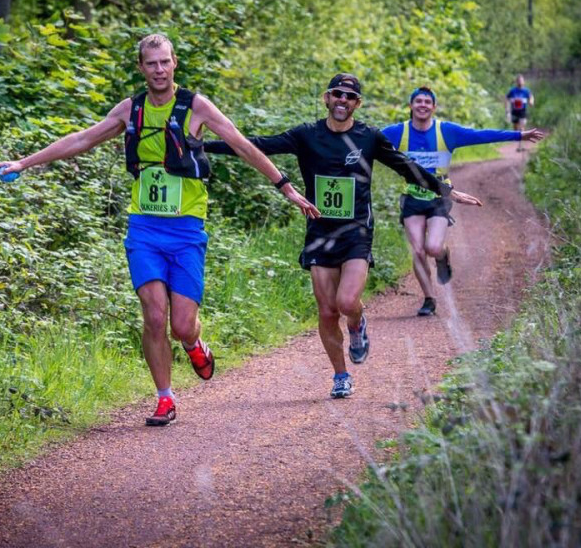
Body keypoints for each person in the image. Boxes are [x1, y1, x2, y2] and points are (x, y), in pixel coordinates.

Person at [0, 33, 319, 426]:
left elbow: (243, 145)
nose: (159, 70)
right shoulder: (132, 109)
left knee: (181, 325)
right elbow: (82, 139)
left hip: (187, 230)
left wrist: (286, 187)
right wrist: (23, 163)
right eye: (151, 63)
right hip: (144, 228)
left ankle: (194, 342)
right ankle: (164, 398)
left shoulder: (196, 106)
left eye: (164, 62)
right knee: (155, 316)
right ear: (141, 67)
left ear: (174, 63)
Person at [204, 74, 481, 399]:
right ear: (327, 98)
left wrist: (446, 190)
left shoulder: (369, 137)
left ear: (357, 103)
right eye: (337, 94)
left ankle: (357, 322)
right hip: (319, 231)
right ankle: (340, 375)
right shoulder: (306, 135)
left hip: (356, 232)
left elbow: (405, 166)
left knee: (347, 302)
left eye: (349, 96)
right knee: (327, 311)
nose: (342, 100)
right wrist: (201, 145)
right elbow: (255, 146)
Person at [382, 86, 544, 317]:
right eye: (418, 101)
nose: (422, 105)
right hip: (412, 197)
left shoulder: (446, 131)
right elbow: (367, 141)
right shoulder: (398, 132)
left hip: (439, 197)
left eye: (427, 102)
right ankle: (429, 299)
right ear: (411, 105)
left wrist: (519, 135)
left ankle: (442, 256)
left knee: (432, 247)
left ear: (434, 107)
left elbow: (481, 135)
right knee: (417, 251)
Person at [505, 74, 535, 151]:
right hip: (514, 111)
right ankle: (518, 140)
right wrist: (507, 109)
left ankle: (520, 146)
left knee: (522, 127)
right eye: (518, 81)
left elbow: (531, 96)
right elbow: (506, 98)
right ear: (516, 82)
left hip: (522, 112)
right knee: (515, 128)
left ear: (524, 82)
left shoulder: (526, 91)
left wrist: (531, 101)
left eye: (521, 81)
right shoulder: (512, 91)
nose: (520, 82)